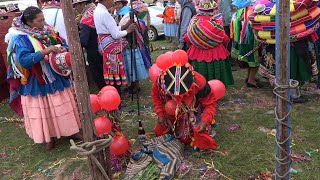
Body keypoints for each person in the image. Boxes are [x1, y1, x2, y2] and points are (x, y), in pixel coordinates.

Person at [5, 6, 81, 150]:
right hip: (37, 80)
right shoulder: (20, 38)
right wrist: (46, 51)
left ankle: (71, 131)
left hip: (54, 75)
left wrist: (62, 47)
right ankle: (49, 137)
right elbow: (24, 61)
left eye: (43, 19)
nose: (43, 22)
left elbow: (61, 41)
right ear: (29, 22)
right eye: (40, 20)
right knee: (45, 109)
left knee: (62, 105)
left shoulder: (48, 31)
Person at [151, 61, 217, 151]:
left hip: (191, 111)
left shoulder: (199, 82)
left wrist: (204, 121)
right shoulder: (160, 80)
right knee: (159, 132)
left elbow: (210, 104)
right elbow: (156, 96)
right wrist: (160, 114)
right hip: (171, 109)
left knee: (186, 139)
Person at [184, 0, 234, 85]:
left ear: (200, 9)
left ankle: (199, 87)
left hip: (197, 52)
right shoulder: (216, 21)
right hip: (216, 52)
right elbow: (224, 39)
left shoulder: (194, 21)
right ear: (213, 9)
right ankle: (216, 87)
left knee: (198, 73)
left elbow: (187, 37)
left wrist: (197, 41)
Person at [94, 0, 136, 91]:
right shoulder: (104, 13)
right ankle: (116, 96)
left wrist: (124, 26)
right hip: (111, 48)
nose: (113, 3)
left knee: (111, 71)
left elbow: (110, 28)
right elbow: (115, 34)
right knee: (115, 72)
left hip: (104, 45)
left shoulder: (98, 10)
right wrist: (128, 30)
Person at [116, 1, 152, 93]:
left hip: (132, 44)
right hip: (129, 44)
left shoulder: (130, 15)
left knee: (133, 66)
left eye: (118, 4)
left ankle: (135, 86)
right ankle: (133, 85)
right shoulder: (126, 15)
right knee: (131, 65)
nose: (116, 6)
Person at [73, 0, 106, 90]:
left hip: (94, 52)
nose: (75, 8)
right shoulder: (100, 11)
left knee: (99, 76)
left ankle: (105, 96)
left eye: (76, 5)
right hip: (106, 48)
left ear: (83, 4)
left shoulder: (85, 19)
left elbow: (84, 41)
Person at [231, 0, 262, 88]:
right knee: (253, 59)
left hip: (242, 39)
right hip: (251, 40)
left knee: (249, 59)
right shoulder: (253, 11)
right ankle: (251, 80)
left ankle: (249, 77)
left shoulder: (240, 11)